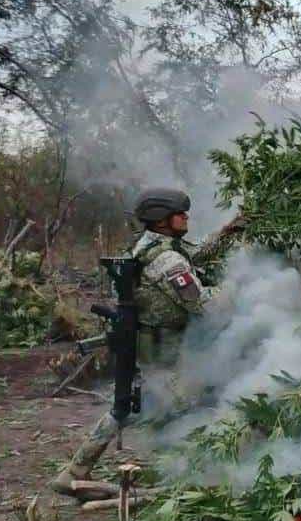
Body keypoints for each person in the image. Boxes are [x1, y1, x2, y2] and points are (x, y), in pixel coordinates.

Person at [50, 188, 243, 499]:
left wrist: (228, 232)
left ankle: (76, 470)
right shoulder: (166, 260)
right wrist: (237, 287)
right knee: (164, 403)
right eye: (180, 213)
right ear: (162, 220)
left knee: (138, 404)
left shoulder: (153, 245)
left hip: (157, 342)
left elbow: (194, 255)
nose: (186, 217)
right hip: (166, 348)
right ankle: (191, 472)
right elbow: (205, 305)